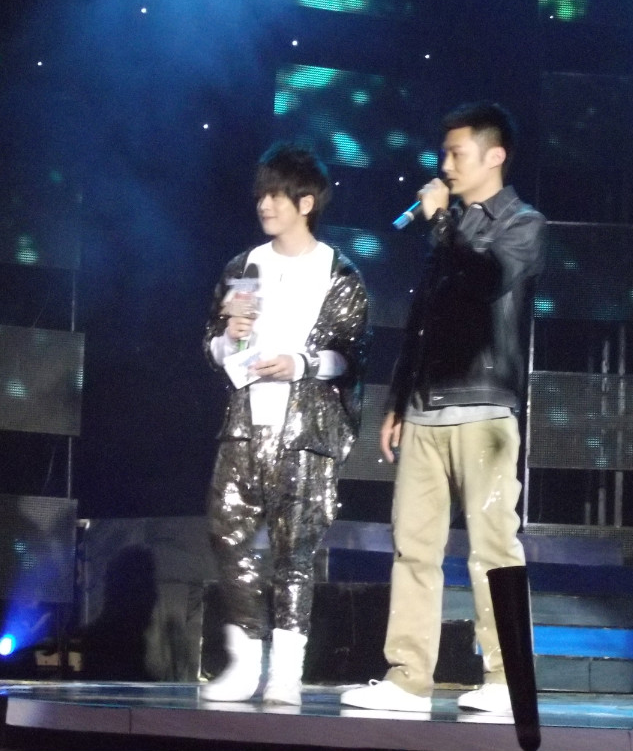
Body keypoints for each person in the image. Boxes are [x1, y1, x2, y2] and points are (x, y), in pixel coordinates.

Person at [340, 102, 546, 715]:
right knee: (413, 548)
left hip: (485, 410)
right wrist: (398, 399)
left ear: (495, 155)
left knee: (494, 551)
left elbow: (486, 281)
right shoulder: (447, 230)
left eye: (457, 153)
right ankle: (408, 679)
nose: (445, 164)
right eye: (444, 153)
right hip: (426, 410)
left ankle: (507, 682)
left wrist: (442, 224)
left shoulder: (523, 223)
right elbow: (423, 322)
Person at [201, 141, 370, 705]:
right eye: (261, 195)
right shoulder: (243, 267)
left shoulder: (338, 272)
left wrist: (299, 363)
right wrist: (229, 339)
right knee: (227, 532)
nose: (264, 204)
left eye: (276, 195)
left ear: (306, 202)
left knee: (294, 552)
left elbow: (351, 357)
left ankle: (285, 672)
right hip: (245, 422)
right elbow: (214, 344)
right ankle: (245, 659)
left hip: (306, 432)